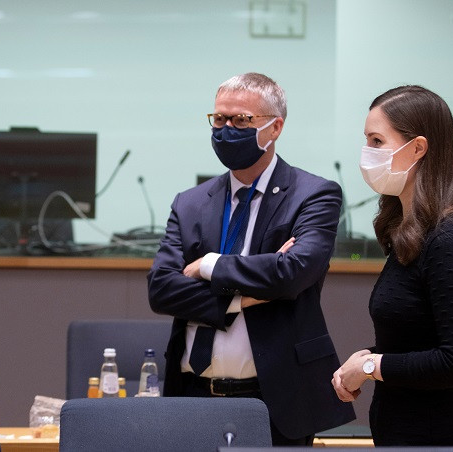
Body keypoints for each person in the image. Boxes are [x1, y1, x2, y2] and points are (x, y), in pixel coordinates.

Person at [147, 72, 355, 445]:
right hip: (191, 395)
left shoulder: (313, 195)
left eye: (241, 120)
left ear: (274, 127)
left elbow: (293, 273)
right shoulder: (190, 202)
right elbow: (161, 289)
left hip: (275, 401)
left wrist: (210, 266)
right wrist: (243, 296)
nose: (226, 129)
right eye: (219, 119)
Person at [332, 85, 453, 451]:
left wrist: (372, 366)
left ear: (417, 148)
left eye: (376, 141)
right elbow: (417, 340)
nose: (366, 154)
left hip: (438, 440)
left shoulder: (448, 238)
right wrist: (365, 360)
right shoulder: (410, 233)